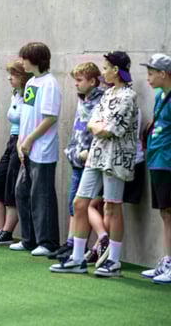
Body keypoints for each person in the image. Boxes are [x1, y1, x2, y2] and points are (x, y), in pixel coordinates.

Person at [51, 52, 138, 277]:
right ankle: (77, 259)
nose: (103, 72)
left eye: (107, 68)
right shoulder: (107, 94)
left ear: (116, 71)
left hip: (116, 159)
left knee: (112, 206)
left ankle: (114, 261)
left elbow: (110, 129)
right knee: (80, 203)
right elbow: (93, 123)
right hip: (96, 156)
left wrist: (99, 127)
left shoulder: (129, 96)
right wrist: (99, 127)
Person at [46, 62, 104, 260]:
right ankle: (72, 243)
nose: (76, 84)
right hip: (76, 159)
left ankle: (84, 246)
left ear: (93, 81)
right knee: (74, 204)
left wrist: (88, 152)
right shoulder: (82, 99)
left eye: (79, 80)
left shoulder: (101, 100)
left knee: (84, 205)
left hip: (90, 161)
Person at [13, 42, 61, 256]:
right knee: (22, 192)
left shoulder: (50, 84)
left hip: (42, 149)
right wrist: (20, 141)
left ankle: (48, 242)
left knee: (41, 195)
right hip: (26, 148)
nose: (22, 62)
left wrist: (30, 140)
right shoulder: (32, 82)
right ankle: (29, 239)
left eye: (25, 58)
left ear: (35, 59)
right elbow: (27, 112)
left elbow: (50, 117)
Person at [0, 61, 30, 246]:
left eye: (14, 75)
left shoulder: (29, 96)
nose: (9, 78)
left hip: (22, 141)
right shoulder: (15, 95)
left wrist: (22, 144)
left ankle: (7, 233)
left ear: (23, 76)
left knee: (11, 190)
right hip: (12, 141)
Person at [140, 53, 171, 284]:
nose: (148, 78)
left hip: (167, 162)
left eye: (151, 74)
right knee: (165, 213)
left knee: (169, 213)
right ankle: (167, 260)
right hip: (157, 161)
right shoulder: (161, 96)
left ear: (163, 74)